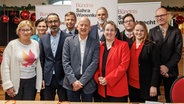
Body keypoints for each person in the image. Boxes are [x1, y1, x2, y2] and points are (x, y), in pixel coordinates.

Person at [1, 20, 42, 100]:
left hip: (31, 81)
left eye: (28, 30)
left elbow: (38, 64)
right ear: (19, 31)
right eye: (23, 30)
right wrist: (8, 84)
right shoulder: (12, 45)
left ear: (32, 31)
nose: (25, 32)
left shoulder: (35, 44)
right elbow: (5, 66)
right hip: (15, 80)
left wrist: (39, 81)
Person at [149, 7, 183, 103]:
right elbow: (151, 52)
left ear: (167, 16)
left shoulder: (176, 32)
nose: (160, 18)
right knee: (152, 98)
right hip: (156, 71)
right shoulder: (152, 31)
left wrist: (167, 67)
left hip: (171, 71)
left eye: (162, 15)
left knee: (171, 98)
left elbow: (177, 53)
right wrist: (159, 67)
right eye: (157, 16)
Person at [62, 16, 99, 102]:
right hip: (71, 83)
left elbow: (94, 63)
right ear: (77, 27)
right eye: (81, 25)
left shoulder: (95, 43)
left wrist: (81, 82)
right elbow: (65, 62)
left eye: (86, 25)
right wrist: (74, 81)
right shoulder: (68, 41)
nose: (83, 27)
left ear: (90, 28)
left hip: (88, 82)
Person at [94, 20, 130, 102]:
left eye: (112, 30)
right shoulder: (99, 46)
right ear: (103, 32)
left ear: (116, 32)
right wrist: (97, 77)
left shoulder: (123, 45)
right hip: (102, 89)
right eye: (107, 30)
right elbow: (95, 64)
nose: (109, 32)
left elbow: (123, 66)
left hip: (117, 89)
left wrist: (108, 79)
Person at [39, 13, 71, 101]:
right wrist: (41, 78)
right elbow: (41, 60)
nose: (53, 24)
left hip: (64, 77)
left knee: (65, 102)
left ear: (59, 22)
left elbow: (71, 60)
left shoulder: (68, 38)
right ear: (47, 24)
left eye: (55, 21)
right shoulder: (43, 39)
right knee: (47, 102)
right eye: (50, 22)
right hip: (48, 78)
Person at [128, 21, 160, 102]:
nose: (139, 32)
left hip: (147, 86)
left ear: (145, 31)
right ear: (133, 31)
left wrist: (154, 85)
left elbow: (156, 67)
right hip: (132, 86)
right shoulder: (129, 45)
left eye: (142, 30)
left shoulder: (151, 46)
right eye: (137, 30)